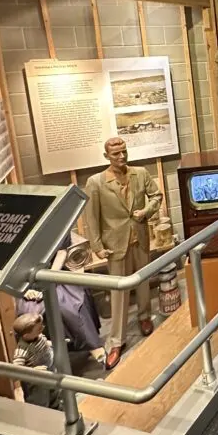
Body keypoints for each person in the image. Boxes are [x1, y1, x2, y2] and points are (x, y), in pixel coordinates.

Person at [85, 137, 163, 370]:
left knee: (143, 281)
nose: (121, 157)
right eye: (116, 153)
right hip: (115, 243)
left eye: (124, 152)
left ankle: (144, 315)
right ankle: (116, 340)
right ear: (106, 156)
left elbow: (156, 196)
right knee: (118, 291)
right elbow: (91, 217)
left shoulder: (140, 174)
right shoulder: (96, 182)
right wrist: (97, 246)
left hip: (139, 237)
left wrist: (146, 211)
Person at [12, 312, 55, 407]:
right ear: (26, 335)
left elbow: (44, 343)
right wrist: (33, 371)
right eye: (39, 329)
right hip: (37, 381)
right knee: (40, 401)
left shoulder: (38, 337)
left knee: (54, 394)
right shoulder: (22, 350)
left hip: (50, 370)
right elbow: (15, 370)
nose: (42, 328)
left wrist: (55, 343)